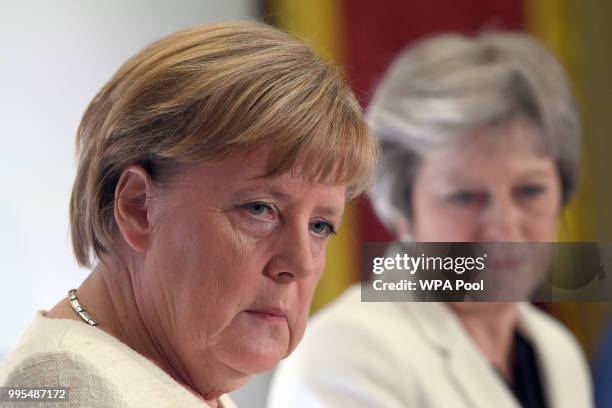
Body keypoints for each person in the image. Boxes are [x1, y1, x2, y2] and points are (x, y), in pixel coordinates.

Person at [0, 21, 378, 407]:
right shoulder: (67, 387)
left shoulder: (171, 380)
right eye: (259, 209)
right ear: (138, 207)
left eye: (320, 226)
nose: (299, 263)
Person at [268, 32, 593, 408]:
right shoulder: (347, 353)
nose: (505, 227)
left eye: (531, 191)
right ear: (402, 208)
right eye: (465, 197)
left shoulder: (557, 351)